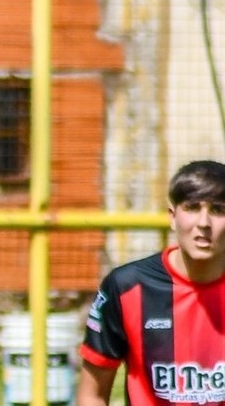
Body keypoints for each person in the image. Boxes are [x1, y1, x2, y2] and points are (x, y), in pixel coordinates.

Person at [77, 159, 225, 405]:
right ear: (172, 217)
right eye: (192, 208)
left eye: (218, 210)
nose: (203, 223)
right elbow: (92, 395)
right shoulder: (126, 287)